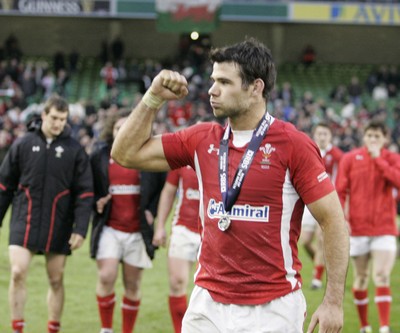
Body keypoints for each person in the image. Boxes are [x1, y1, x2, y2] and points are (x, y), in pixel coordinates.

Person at [111, 37, 349, 333]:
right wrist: (153, 98)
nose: (212, 90)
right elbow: (124, 153)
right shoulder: (200, 139)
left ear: (255, 87)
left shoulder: (293, 145)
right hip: (207, 304)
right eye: (213, 80)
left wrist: (333, 301)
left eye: (224, 82)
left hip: (273, 307)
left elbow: (333, 220)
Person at [0, 95, 94, 333]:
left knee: (55, 279)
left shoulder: (74, 150)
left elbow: (85, 193)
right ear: (43, 115)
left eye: (63, 119)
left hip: (59, 222)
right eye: (54, 118)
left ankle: (53, 328)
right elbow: (4, 185)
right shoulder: (23, 143)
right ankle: (17, 328)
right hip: (24, 218)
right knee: (18, 272)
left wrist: (80, 229)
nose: (58, 123)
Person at [90, 110, 163, 333]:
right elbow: (88, 187)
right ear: (111, 132)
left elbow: (163, 187)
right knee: (106, 275)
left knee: (132, 285)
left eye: (127, 127)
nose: (122, 132)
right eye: (118, 128)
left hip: (137, 231)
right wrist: (97, 202)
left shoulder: (147, 155)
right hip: (109, 228)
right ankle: (106, 329)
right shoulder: (99, 156)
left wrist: (152, 210)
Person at [335, 120, 400, 333]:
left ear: (385, 139)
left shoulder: (392, 159)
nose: (373, 140)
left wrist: (379, 159)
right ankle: (364, 326)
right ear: (364, 137)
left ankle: (384, 327)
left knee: (381, 274)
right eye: (370, 135)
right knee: (361, 277)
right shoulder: (350, 159)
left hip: (384, 228)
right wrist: (342, 219)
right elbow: (340, 190)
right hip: (358, 228)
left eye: (377, 136)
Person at [153, 165, 201, 333]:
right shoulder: (184, 155)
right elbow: (168, 191)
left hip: (213, 229)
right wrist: (160, 226)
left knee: (209, 290)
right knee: (177, 282)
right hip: (183, 227)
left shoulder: (224, 150)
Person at [300, 122, 344, 290]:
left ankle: (316, 279)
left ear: (330, 136)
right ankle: (320, 265)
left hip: (328, 202)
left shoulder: (338, 155)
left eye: (325, 134)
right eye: (319, 134)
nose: (322, 137)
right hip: (309, 202)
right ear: (315, 135)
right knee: (304, 241)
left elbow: (341, 179)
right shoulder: (309, 151)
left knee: (320, 240)